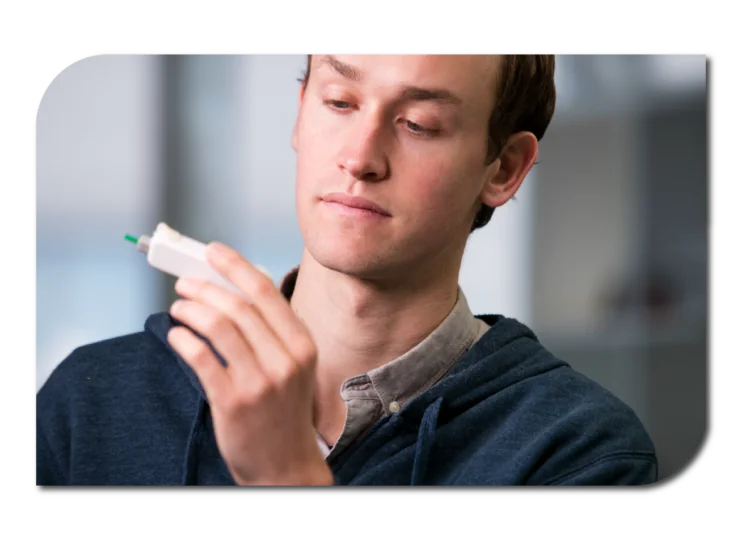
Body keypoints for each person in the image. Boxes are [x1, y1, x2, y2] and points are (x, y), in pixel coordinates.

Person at [35, 53, 658, 485]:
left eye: (419, 124)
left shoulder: (580, 450)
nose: (360, 157)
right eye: (339, 101)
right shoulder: (88, 402)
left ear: (505, 169)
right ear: (301, 110)